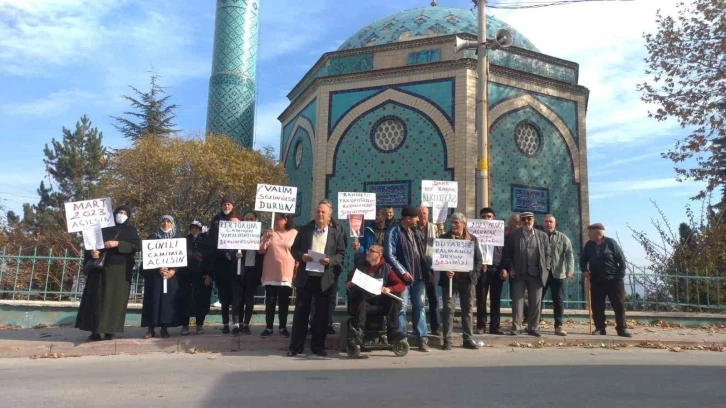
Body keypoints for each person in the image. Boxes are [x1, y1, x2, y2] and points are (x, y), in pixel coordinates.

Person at [287, 201, 346, 357]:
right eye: (318, 211)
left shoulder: (336, 233)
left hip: (324, 279)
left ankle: (318, 346)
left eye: (323, 212)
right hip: (306, 277)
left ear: (329, 215)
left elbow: (341, 255)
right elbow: (294, 249)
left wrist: (330, 261)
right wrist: (302, 256)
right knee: (301, 312)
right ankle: (295, 346)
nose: (320, 214)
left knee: (321, 314)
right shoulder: (305, 230)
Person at [76, 205, 140, 341]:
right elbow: (91, 245)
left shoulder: (131, 231)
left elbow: (136, 246)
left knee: (114, 301)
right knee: (96, 300)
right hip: (99, 270)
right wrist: (92, 252)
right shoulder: (102, 229)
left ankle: (110, 330)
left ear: (128, 216)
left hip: (119, 272)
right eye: (119, 212)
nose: (121, 215)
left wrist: (117, 244)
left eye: (124, 213)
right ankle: (95, 331)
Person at [345, 244, 407, 358]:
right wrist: (349, 283)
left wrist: (389, 289)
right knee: (359, 295)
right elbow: (349, 279)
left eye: (371, 251)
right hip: (363, 302)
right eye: (368, 250)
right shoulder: (360, 266)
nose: (367, 252)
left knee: (395, 300)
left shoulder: (386, 268)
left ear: (379, 255)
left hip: (379, 301)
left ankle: (393, 332)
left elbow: (401, 285)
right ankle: (359, 331)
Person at [384, 206, 431, 352]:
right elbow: (389, 255)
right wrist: (402, 271)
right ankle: (402, 339)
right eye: (416, 217)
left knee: (420, 307)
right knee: (402, 309)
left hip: (419, 276)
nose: (418, 220)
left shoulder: (416, 231)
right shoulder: (394, 232)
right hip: (402, 279)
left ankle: (422, 339)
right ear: (408, 218)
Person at [501, 212, 551, 337]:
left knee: (535, 302)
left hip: (536, 273)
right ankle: (516, 327)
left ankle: (533, 328)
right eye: (523, 219)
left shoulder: (542, 236)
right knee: (518, 301)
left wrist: (546, 268)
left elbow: (548, 254)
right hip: (519, 273)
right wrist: (511, 267)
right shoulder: (514, 235)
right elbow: (508, 253)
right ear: (521, 221)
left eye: (529, 219)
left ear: (533, 220)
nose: (526, 221)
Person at [439, 212, 483, 350]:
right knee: (448, 309)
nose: (453, 225)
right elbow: (439, 259)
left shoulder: (472, 239)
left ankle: (468, 339)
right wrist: (445, 270)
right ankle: (447, 340)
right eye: (452, 222)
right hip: (450, 280)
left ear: (463, 224)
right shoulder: (444, 238)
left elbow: (478, 259)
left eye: (456, 222)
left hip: (467, 281)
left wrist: (474, 277)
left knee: (468, 310)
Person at [580, 223, 632, 337]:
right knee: (597, 305)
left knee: (618, 304)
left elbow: (621, 261)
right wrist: (584, 270)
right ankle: (600, 328)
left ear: (598, 233)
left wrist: (619, 276)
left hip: (613, 279)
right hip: (596, 279)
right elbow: (583, 260)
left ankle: (622, 328)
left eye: (591, 232)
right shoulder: (589, 245)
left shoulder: (611, 243)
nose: (589, 234)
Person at [141, 215, 182, 339]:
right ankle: (150, 329)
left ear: (172, 223)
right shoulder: (153, 237)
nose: (165, 223)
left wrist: (174, 270)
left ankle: (164, 328)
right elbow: (148, 256)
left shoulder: (177, 238)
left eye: (168, 221)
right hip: (155, 277)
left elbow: (181, 256)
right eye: (163, 221)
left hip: (170, 277)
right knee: (153, 300)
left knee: (166, 302)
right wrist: (157, 268)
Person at [259, 213, 297, 338]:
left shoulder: (294, 233)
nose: (275, 221)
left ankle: (282, 327)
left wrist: (297, 270)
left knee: (284, 302)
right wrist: (267, 238)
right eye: (274, 218)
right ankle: (269, 327)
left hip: (286, 272)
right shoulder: (268, 232)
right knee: (270, 301)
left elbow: (297, 252)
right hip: (270, 272)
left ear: (286, 220)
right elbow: (260, 250)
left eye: (279, 218)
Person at [206, 195, 237, 334]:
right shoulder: (216, 220)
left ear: (232, 206)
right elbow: (211, 239)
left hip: (235, 262)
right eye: (224, 204)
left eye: (229, 204)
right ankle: (225, 324)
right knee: (224, 296)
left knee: (235, 295)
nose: (227, 207)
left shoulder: (237, 219)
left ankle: (236, 323)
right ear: (221, 206)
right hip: (220, 262)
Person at [230, 211, 264, 336]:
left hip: (253, 272)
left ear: (256, 221)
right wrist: (235, 255)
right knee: (237, 300)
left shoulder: (261, 237)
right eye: (246, 219)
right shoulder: (237, 235)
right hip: (238, 271)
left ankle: (246, 324)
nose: (249, 221)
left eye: (251, 219)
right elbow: (228, 252)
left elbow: (263, 253)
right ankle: (236, 325)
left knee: (249, 300)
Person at [541, 214, 574, 336]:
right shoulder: (538, 236)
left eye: (550, 222)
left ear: (554, 224)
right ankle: (533, 325)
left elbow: (569, 254)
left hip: (558, 274)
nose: (548, 224)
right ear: (542, 223)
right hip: (541, 274)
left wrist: (570, 269)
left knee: (558, 300)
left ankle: (558, 326)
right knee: (537, 299)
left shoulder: (563, 237)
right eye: (546, 222)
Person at [475, 207, 507, 335]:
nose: (486, 219)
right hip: (482, 270)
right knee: (481, 300)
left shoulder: (501, 234)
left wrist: (505, 268)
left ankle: (495, 326)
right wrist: (479, 263)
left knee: (496, 300)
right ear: (480, 219)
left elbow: (506, 252)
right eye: (483, 217)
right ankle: (481, 326)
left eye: (489, 216)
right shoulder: (474, 234)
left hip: (496, 269)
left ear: (493, 218)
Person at [180, 220, 212, 335]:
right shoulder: (185, 240)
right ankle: (185, 326)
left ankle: (199, 325)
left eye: (197, 228)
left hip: (202, 275)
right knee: (185, 300)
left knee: (202, 301)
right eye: (192, 227)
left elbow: (211, 258)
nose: (195, 230)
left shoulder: (206, 241)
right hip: (187, 275)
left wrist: (209, 273)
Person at [417, 205, 442, 336]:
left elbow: (443, 244)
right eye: (420, 213)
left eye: (425, 213)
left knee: (434, 298)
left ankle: (435, 326)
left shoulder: (434, 228)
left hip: (432, 267)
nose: (423, 215)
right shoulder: (412, 228)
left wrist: (441, 231)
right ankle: (419, 328)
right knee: (419, 299)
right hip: (417, 267)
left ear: (428, 214)